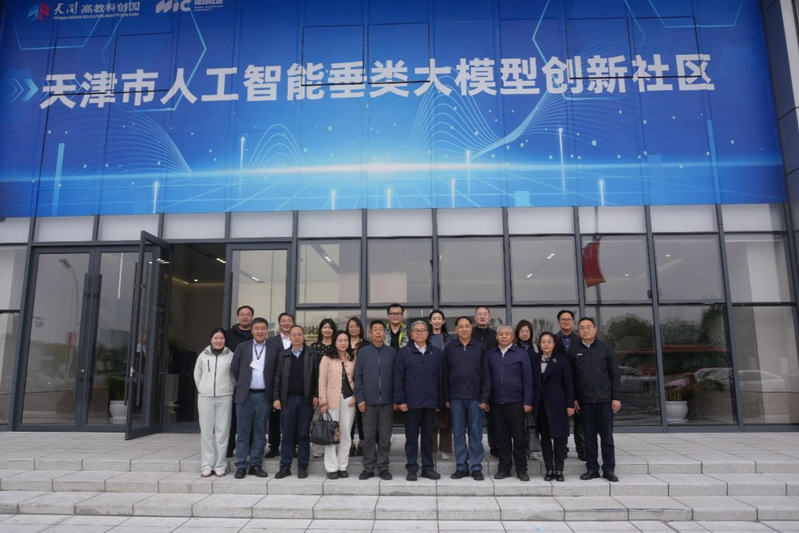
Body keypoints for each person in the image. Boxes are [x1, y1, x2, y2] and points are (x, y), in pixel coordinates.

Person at [571, 317, 622, 483]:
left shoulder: (605, 348)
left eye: (588, 327)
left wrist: (616, 397)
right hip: (584, 402)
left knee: (607, 437)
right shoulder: (574, 350)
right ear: (578, 331)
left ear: (595, 329)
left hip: (604, 400)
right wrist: (573, 398)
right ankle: (592, 468)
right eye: (582, 328)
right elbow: (571, 377)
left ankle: (609, 469)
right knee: (589, 437)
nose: (585, 330)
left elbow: (615, 374)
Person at [394, 320, 445, 481]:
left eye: (423, 330)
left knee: (428, 438)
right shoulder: (404, 352)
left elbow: (441, 379)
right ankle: (412, 468)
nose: (420, 333)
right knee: (411, 438)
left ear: (428, 333)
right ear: (411, 334)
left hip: (430, 402)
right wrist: (400, 400)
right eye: (416, 330)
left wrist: (439, 401)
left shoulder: (436, 353)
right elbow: (398, 378)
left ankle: (428, 468)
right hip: (411, 403)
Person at [443, 316, 490, 480]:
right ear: (456, 329)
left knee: (476, 433)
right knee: (458, 434)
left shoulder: (479, 347)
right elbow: (445, 374)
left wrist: (484, 397)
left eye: (467, 326)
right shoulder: (450, 348)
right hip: (455, 397)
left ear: (471, 328)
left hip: (475, 397)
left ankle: (476, 467)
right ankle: (461, 467)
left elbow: (486, 374)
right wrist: (446, 397)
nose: (464, 329)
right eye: (461, 327)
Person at [230, 317, 276, 479]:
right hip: (245, 396)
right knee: (243, 432)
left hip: (264, 396)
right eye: (257, 328)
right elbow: (235, 368)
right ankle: (241, 465)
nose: (260, 331)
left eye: (263, 328)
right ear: (252, 330)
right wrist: (244, 383)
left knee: (260, 432)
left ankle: (256, 464)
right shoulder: (242, 347)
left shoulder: (273, 348)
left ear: (267, 331)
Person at [273, 325, 320, 479]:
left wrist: (316, 395)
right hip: (288, 401)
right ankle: (285, 467)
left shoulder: (312, 354)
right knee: (287, 435)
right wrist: (276, 397)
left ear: (303, 336)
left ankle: (302, 466)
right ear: (290, 337)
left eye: (300, 334)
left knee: (303, 434)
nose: (297, 337)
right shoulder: (283, 355)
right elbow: (277, 377)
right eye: (294, 335)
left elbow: (317, 377)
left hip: (306, 401)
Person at [487, 325, 533, 481]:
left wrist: (528, 401)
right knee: (502, 438)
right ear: (496, 337)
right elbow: (486, 379)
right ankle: (504, 468)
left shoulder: (521, 353)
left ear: (513, 337)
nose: (504, 336)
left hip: (517, 403)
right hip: (496, 403)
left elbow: (528, 379)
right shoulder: (490, 354)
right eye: (501, 334)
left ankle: (521, 469)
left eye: (507, 334)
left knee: (519, 438)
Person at [354, 320, 397, 481]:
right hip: (368, 402)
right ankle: (368, 468)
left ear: (385, 333)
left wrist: (396, 398)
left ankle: (383, 467)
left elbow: (396, 377)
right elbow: (358, 377)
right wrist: (360, 399)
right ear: (371, 333)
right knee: (369, 436)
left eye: (381, 329)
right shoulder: (363, 352)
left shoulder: (392, 352)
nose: (378, 332)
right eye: (375, 330)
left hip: (387, 401)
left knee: (385, 437)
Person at [532, 331, 574, 482]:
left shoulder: (561, 360)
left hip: (558, 405)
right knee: (545, 439)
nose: (546, 344)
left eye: (549, 341)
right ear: (540, 344)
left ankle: (559, 469)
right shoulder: (534, 360)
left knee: (559, 439)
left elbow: (569, 384)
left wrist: (570, 404)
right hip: (541, 406)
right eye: (543, 341)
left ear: (554, 344)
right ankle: (549, 469)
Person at [194, 328, 235, 477]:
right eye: (216, 338)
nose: (219, 341)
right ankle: (206, 464)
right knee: (206, 432)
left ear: (225, 340)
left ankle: (220, 465)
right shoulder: (203, 355)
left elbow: (233, 376)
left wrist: (228, 389)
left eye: (221, 338)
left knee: (222, 432)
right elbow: (197, 374)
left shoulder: (231, 356)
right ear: (211, 339)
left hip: (225, 397)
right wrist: (202, 389)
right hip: (205, 397)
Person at [318, 331, 357, 479]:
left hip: (349, 399)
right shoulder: (327, 358)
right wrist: (323, 401)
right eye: (340, 340)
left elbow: (357, 379)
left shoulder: (352, 358)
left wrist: (356, 396)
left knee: (346, 433)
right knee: (331, 434)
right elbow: (322, 380)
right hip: (331, 400)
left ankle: (342, 466)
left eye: (346, 340)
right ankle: (331, 468)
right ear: (335, 342)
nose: (343, 343)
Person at [554, 309, 585, 462]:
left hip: (579, 385)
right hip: (559, 386)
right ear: (558, 322)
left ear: (573, 322)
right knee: (561, 421)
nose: (566, 321)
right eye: (563, 319)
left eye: (569, 319)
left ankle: (582, 450)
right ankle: (562, 449)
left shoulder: (580, 339)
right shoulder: (553, 339)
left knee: (580, 423)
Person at [225, 305, 254, 458]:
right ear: (238, 316)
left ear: (252, 317)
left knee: (249, 418)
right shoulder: (228, 334)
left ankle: (249, 448)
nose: (245, 317)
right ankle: (229, 447)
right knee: (231, 418)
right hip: (232, 382)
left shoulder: (255, 334)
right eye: (242, 314)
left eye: (248, 314)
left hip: (251, 382)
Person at [265, 312, 295, 459]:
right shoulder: (271, 342)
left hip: (293, 385)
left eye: (289, 320)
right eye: (283, 321)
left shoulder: (298, 339)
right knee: (274, 418)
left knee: (292, 418)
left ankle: (292, 447)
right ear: (279, 323)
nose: (286, 323)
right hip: (276, 384)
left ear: (293, 323)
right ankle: (274, 446)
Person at [472, 306, 499, 458]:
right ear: (475, 317)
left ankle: (494, 447)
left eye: (485, 314)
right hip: (473, 380)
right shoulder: (470, 334)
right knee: (472, 419)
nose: (482, 317)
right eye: (479, 314)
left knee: (493, 418)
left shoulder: (496, 335)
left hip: (494, 380)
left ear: (489, 317)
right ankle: (473, 449)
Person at [428, 310, 453, 460]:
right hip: (430, 377)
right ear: (430, 321)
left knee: (446, 415)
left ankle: (445, 449)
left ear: (443, 321)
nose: (436, 321)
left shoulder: (449, 339)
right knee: (430, 415)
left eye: (439, 318)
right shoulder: (426, 337)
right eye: (434, 318)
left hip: (447, 377)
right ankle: (431, 448)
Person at [346, 316, 368, 457]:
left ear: (360, 328)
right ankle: (349, 442)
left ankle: (362, 440)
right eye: (351, 326)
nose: (353, 329)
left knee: (362, 414)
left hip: (363, 383)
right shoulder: (343, 342)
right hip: (346, 383)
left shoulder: (366, 344)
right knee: (348, 415)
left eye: (356, 326)